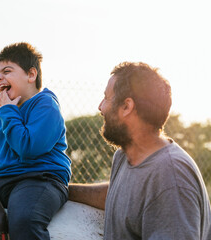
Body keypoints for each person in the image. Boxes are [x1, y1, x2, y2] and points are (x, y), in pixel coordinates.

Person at [68, 62, 211, 239]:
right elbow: (120, 197)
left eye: (106, 98)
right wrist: (61, 190)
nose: (100, 107)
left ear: (127, 106)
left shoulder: (170, 177)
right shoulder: (124, 156)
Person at [0, 42, 71, 240]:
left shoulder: (45, 105)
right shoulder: (5, 117)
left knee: (25, 220)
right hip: (2, 182)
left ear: (31, 75)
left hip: (38, 179)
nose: (0, 78)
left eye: (7, 71)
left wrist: (7, 111)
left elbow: (28, 147)